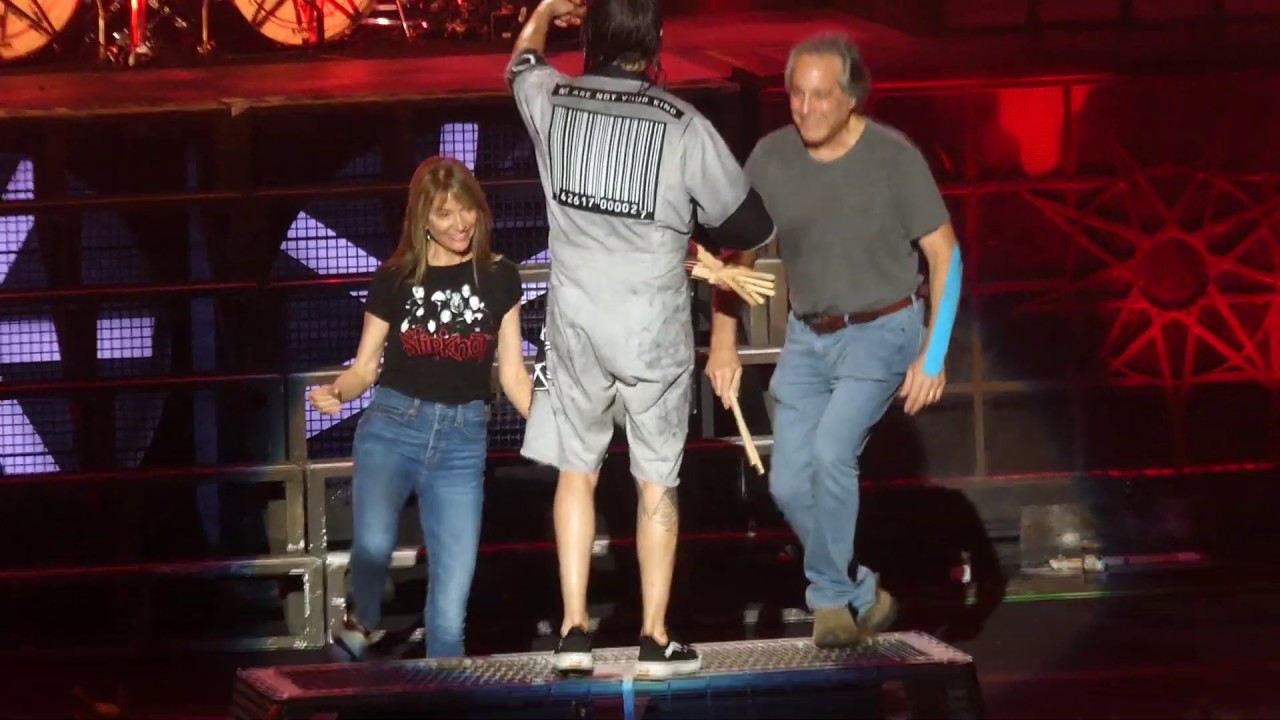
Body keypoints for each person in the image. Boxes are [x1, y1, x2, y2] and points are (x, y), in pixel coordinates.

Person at [506, 0, 775, 679]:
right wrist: (693, 246)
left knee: (578, 470)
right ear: (655, 42)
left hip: (576, 323)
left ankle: (572, 630)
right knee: (656, 478)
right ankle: (654, 637)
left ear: (590, 37)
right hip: (651, 325)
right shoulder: (683, 125)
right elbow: (746, 225)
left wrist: (542, 10)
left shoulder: (554, 100)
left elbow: (520, 64)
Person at [720, 31, 962, 648]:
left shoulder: (892, 156)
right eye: (797, 95)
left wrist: (933, 355)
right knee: (786, 483)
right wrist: (723, 342)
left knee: (832, 452)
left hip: (883, 329)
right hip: (809, 337)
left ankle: (828, 599)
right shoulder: (772, 158)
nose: (807, 108)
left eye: (821, 96)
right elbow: (735, 255)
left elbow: (945, 256)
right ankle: (861, 592)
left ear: (852, 96)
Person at [308, 156, 532, 661]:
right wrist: (338, 392)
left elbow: (514, 373)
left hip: (462, 438)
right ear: (422, 220)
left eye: (467, 210)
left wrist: (552, 427)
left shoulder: (500, 277)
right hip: (394, 426)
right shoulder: (396, 278)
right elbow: (366, 366)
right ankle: (356, 638)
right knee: (371, 554)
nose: (460, 224)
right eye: (445, 214)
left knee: (451, 612)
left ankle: (444, 694)